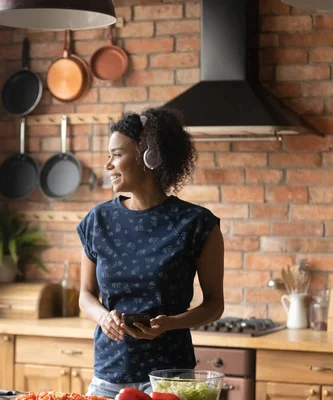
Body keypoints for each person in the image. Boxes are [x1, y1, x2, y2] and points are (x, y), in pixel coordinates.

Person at [76, 107, 225, 398]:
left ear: (150, 155)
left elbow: (214, 305)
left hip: (171, 379)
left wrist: (170, 324)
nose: (108, 165)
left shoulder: (197, 224)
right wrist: (104, 317)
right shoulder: (97, 221)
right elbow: (85, 295)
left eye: (117, 154)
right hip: (109, 375)